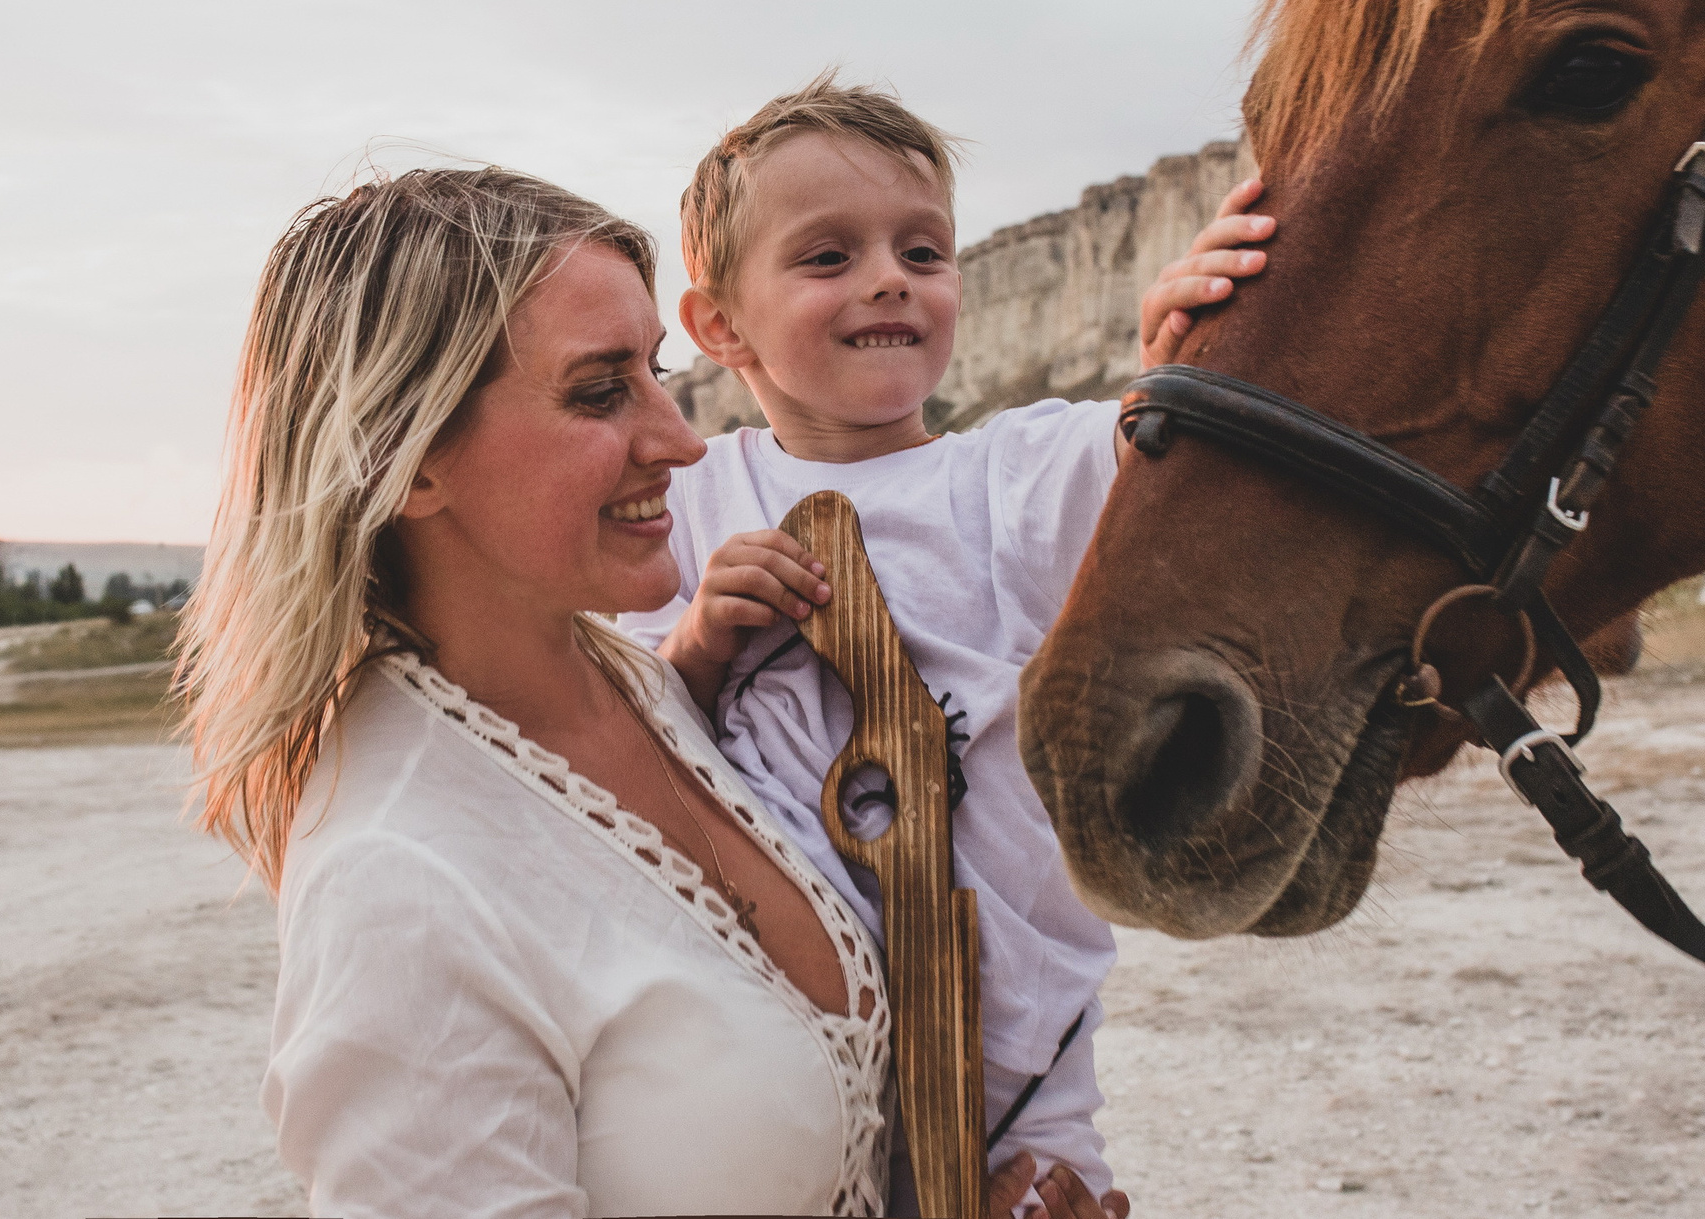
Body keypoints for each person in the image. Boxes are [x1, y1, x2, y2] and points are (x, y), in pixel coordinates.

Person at [182, 166, 1108, 1218]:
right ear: (410, 459)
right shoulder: (399, 885)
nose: (678, 440)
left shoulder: (659, 693)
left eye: (657, 373)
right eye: (598, 389)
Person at [618, 78, 1269, 1209]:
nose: (889, 278)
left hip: (1013, 1066)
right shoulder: (692, 502)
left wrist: (1203, 338)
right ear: (719, 325)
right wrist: (701, 644)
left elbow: (1176, 440)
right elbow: (621, 740)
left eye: (923, 251)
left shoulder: (1016, 474)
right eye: (827, 258)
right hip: (766, 1051)